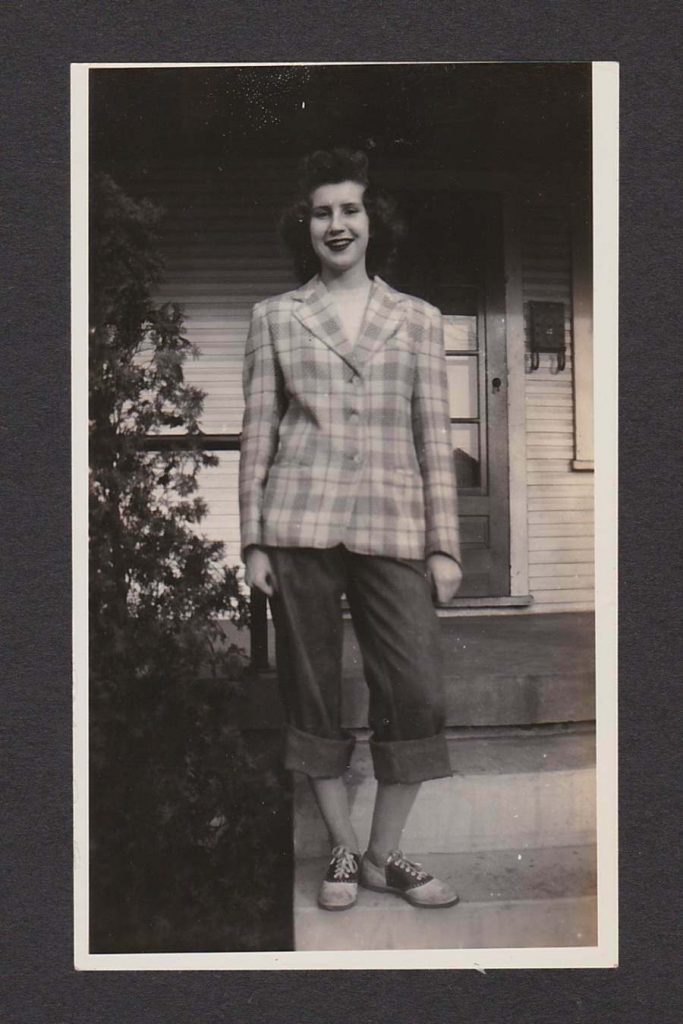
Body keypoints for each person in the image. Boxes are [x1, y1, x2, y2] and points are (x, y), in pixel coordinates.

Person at [239, 148, 463, 912]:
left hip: (394, 527)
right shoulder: (275, 317)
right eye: (321, 211)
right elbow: (258, 434)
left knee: (416, 690)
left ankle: (383, 854)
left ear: (374, 222)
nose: (336, 224)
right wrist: (252, 540)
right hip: (298, 524)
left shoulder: (418, 319)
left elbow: (436, 437)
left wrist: (442, 544)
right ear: (304, 225)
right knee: (311, 693)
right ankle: (339, 846)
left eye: (350, 209)